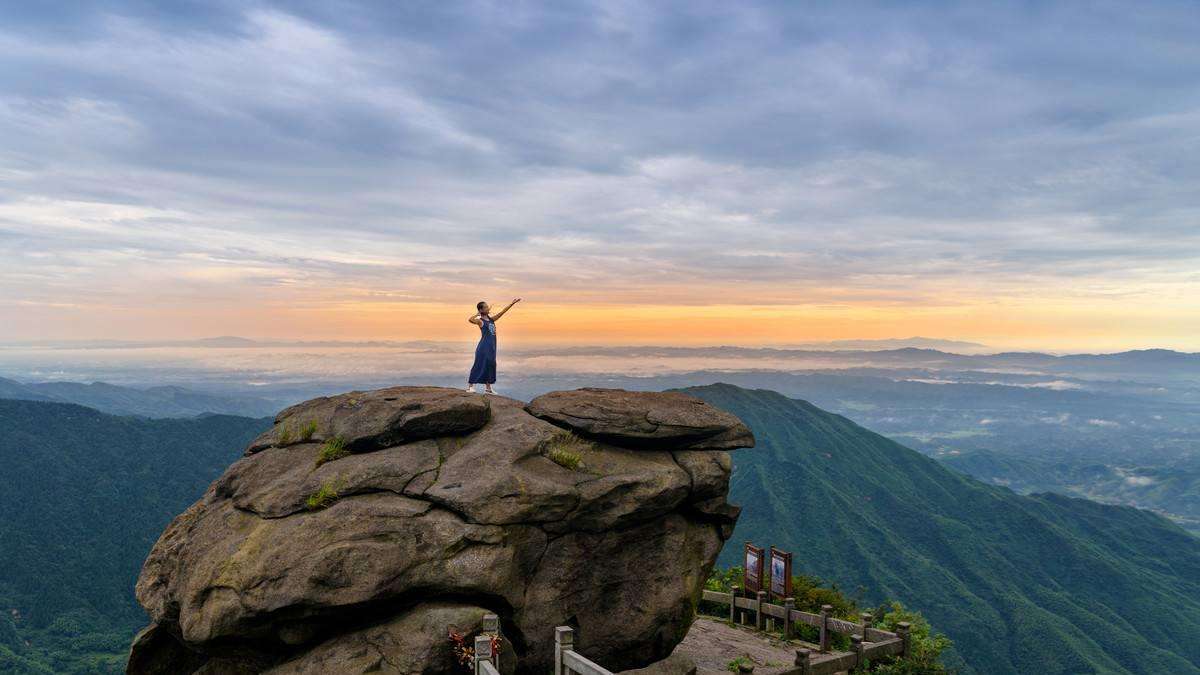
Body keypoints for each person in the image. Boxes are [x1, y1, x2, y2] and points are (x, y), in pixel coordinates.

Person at [466, 298, 520, 394]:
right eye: (485, 307)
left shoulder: (491, 319)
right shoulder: (480, 321)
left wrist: (512, 304)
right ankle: (470, 386)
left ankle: (488, 388)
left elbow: (502, 312)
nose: (487, 308)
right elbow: (470, 320)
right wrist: (477, 315)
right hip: (484, 347)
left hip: (492, 347)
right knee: (479, 364)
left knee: (490, 365)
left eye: (487, 306)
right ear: (481, 310)